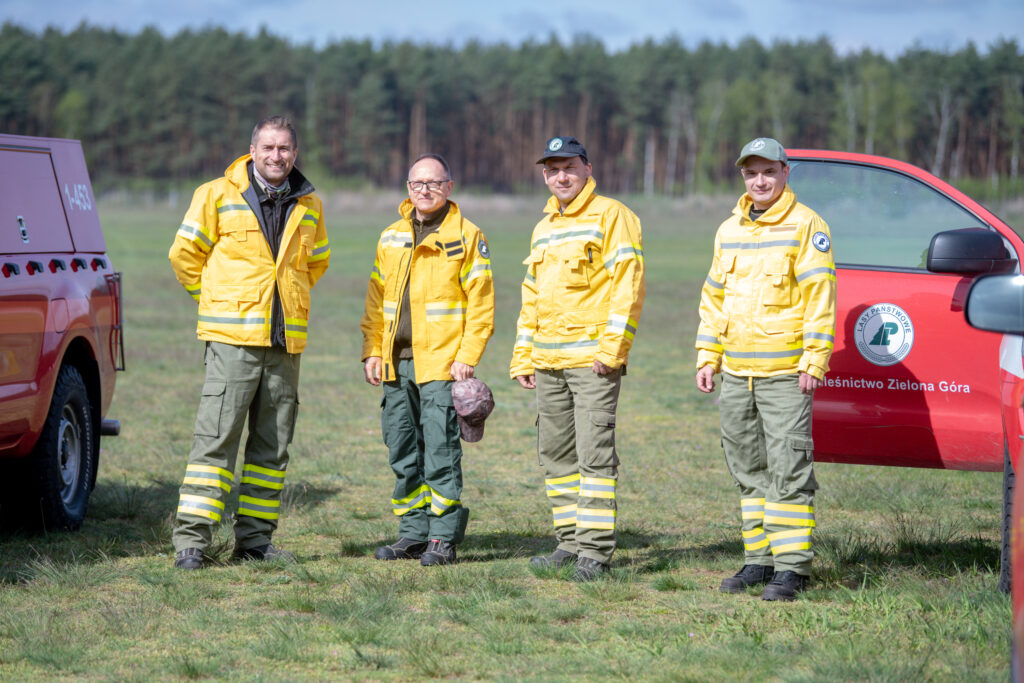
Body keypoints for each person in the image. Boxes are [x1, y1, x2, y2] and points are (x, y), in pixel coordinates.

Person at [168, 116, 330, 569]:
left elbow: (316, 262)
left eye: (284, 149)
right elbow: (184, 256)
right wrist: (216, 302)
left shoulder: (311, 203)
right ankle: (192, 544)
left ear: (294, 154)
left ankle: (255, 542)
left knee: (271, 448)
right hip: (232, 341)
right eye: (268, 147)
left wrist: (286, 303)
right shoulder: (216, 194)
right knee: (215, 441)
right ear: (252, 150)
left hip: (285, 343)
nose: (276, 156)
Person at [695, 137, 836, 601]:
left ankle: (792, 568)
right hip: (736, 373)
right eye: (751, 172)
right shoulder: (726, 229)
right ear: (742, 176)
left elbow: (821, 300)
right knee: (748, 470)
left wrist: (814, 361)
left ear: (785, 173)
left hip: (784, 374)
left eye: (769, 172)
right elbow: (714, 300)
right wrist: (707, 356)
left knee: (788, 469)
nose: (760, 180)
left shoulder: (807, 225)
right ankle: (758, 561)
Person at [510, 136, 645, 582]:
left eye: (568, 166)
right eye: (551, 170)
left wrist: (613, 351)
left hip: (592, 362)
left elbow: (628, 288)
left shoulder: (613, 216)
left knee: (594, 457)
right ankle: (567, 542)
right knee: (556, 456)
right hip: (547, 361)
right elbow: (532, 297)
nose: (560, 176)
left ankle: (595, 551)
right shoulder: (543, 225)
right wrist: (523, 356)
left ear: (588, 168)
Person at [360, 153, 494, 566]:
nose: (425, 190)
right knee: (401, 448)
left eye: (434, 183)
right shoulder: (390, 236)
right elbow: (375, 299)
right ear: (407, 188)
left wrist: (467, 357)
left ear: (449, 187)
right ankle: (413, 533)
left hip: (442, 363)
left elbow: (482, 303)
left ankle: (443, 537)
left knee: (439, 451)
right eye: (418, 184)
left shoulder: (468, 237)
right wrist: (371, 350)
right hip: (395, 364)